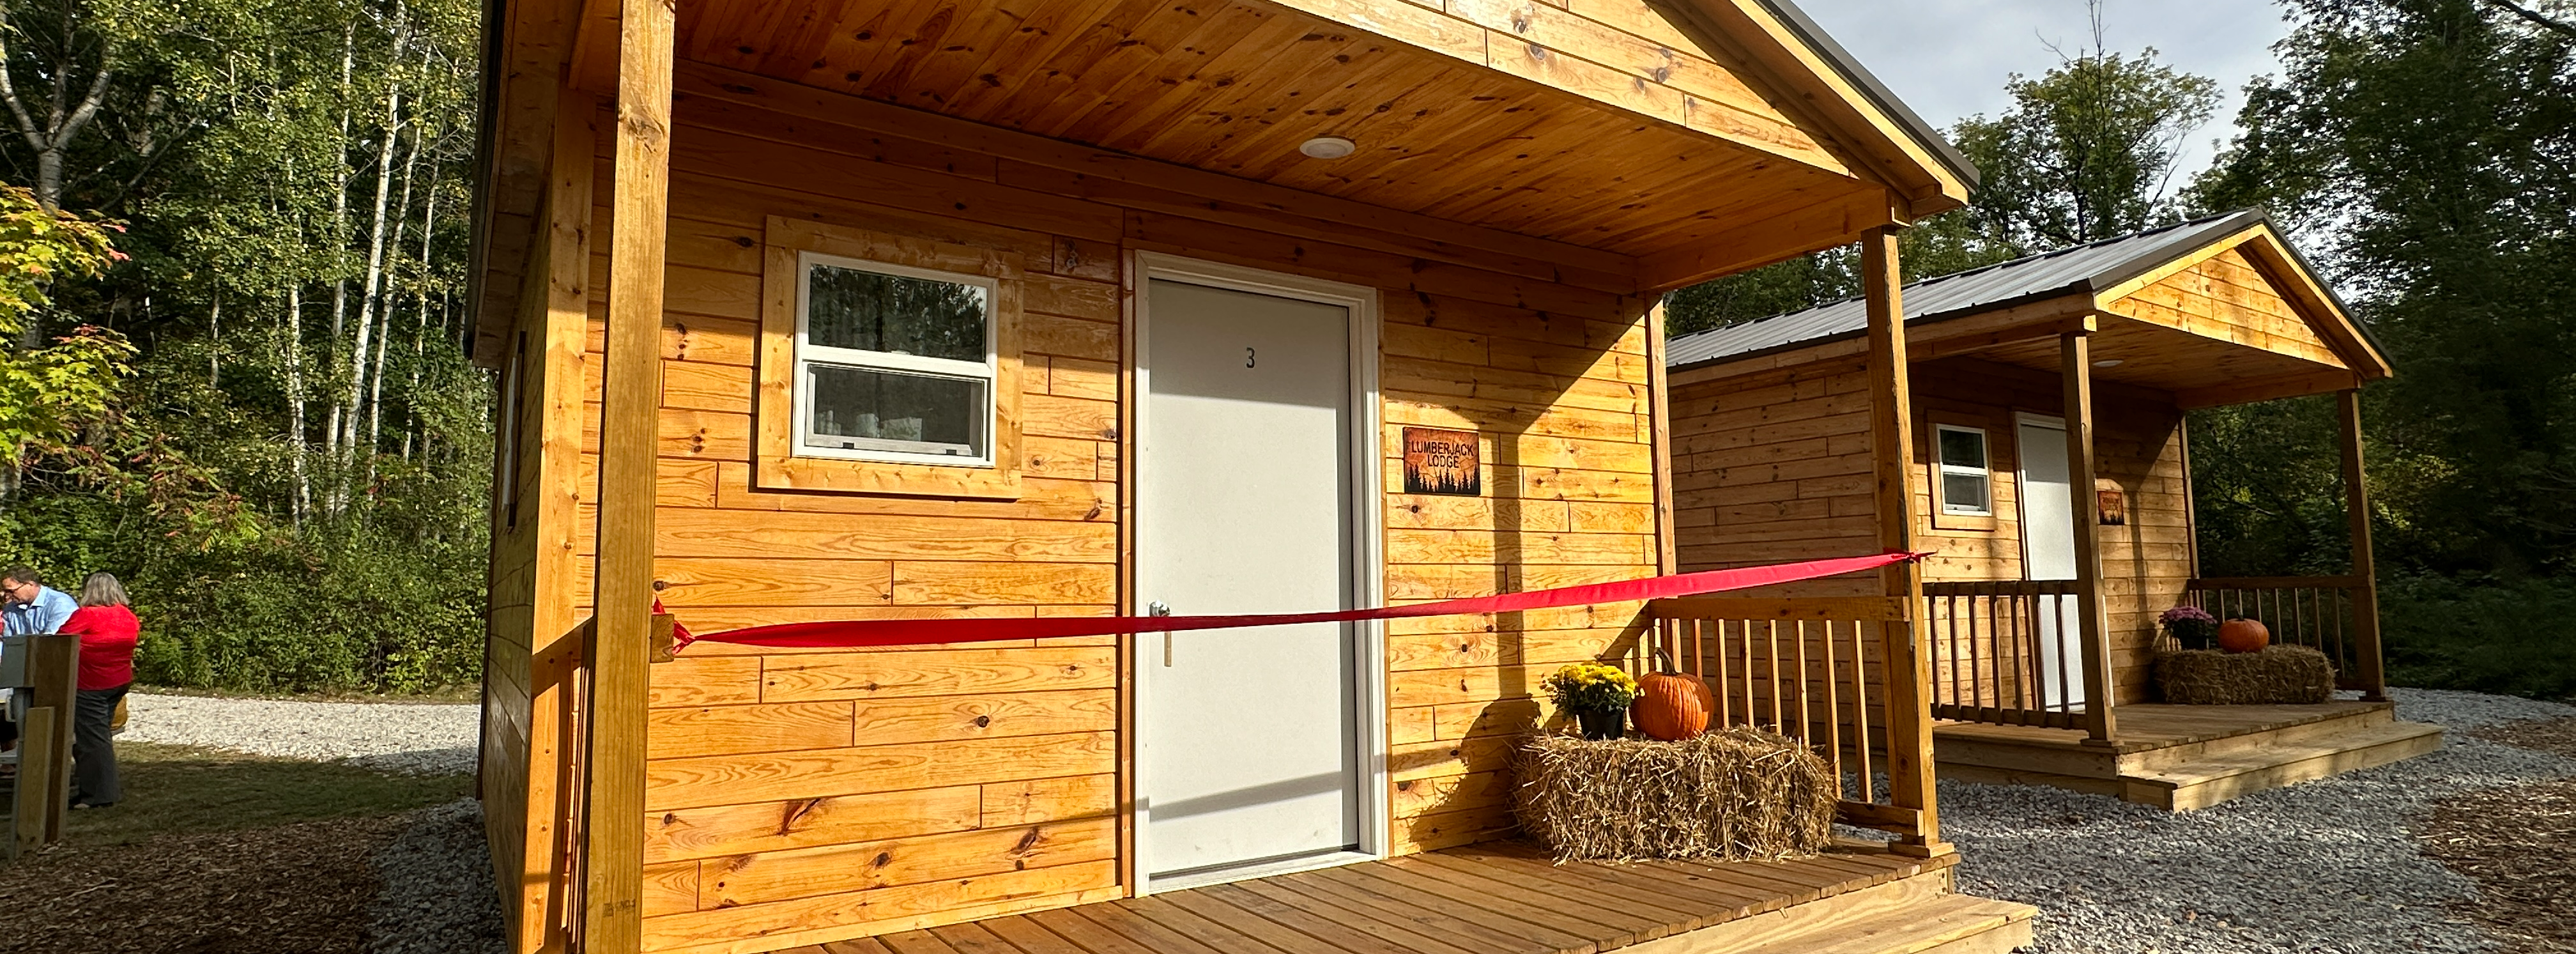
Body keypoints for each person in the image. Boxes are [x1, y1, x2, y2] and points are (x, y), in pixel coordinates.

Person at [57, 572, 137, 808]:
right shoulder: (128, 616)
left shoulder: (88, 616)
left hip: (91, 685)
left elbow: (59, 641)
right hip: (118, 682)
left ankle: (100, 796)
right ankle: (91, 790)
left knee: (92, 742)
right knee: (98, 739)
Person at [1, 566, 79, 755]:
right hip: (25, 672)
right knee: (16, 701)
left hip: (55, 673)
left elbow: (52, 643)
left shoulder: (60, 604)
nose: (7, 596)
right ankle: (26, 748)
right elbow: (9, 643)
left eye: (11, 591)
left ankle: (49, 755)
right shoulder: (12, 609)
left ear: (30, 584)